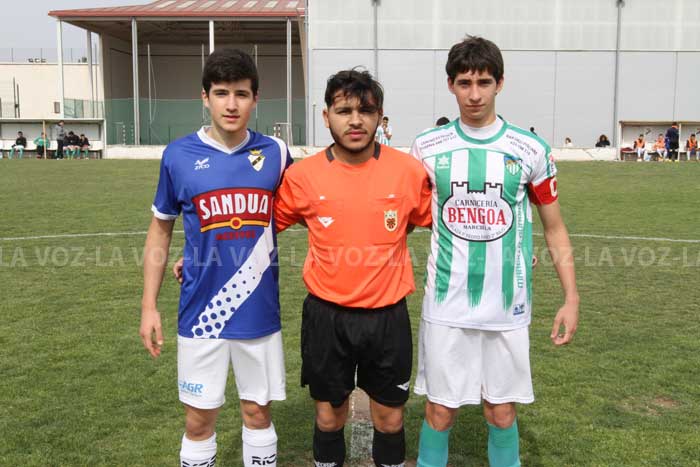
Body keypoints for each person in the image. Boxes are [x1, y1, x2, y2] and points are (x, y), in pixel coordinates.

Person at [410, 36, 579, 467]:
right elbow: (407, 216)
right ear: (450, 84)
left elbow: (555, 227)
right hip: (446, 305)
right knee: (440, 411)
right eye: (464, 83)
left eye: (484, 82)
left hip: (507, 306)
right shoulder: (427, 147)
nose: (474, 94)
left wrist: (571, 298)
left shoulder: (530, 149)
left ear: (500, 83)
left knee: (501, 412)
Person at [140, 48, 291, 467]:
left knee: (257, 414)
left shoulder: (277, 153)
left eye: (241, 93)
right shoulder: (178, 156)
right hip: (201, 312)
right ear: (204, 97)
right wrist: (149, 306)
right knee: (198, 421)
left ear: (256, 98)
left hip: (258, 310)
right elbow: (161, 228)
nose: (231, 104)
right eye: (221, 93)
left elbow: (300, 209)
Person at [273, 69, 432, 467]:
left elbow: (450, 223)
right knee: (329, 418)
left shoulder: (408, 171)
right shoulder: (302, 176)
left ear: (380, 117)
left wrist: (511, 250)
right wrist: (200, 254)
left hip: (387, 318)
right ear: (326, 116)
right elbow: (258, 228)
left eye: (366, 111)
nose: (356, 121)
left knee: (390, 419)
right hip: (327, 317)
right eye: (344, 111)